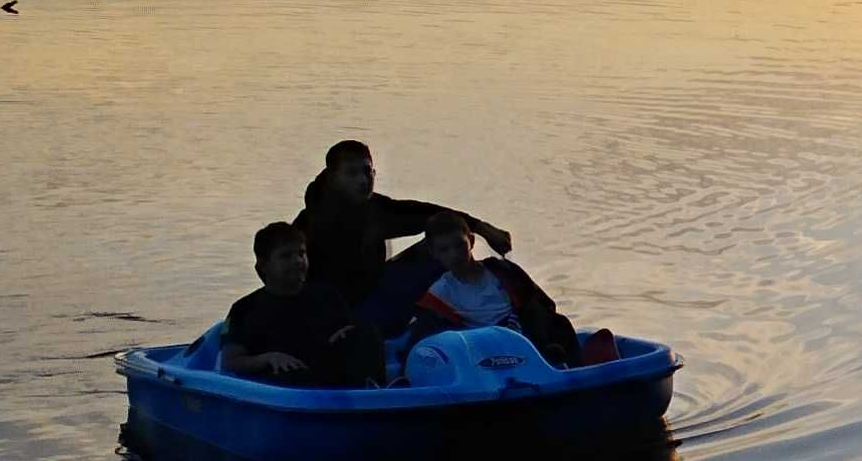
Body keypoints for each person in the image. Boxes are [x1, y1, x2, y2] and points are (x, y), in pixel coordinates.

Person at [355, 215, 602, 370]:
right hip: (475, 351)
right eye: (444, 250)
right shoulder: (439, 293)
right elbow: (424, 334)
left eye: (459, 245)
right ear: (433, 253)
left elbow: (541, 304)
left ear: (471, 242)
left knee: (553, 320)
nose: (454, 254)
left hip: (522, 340)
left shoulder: (502, 273)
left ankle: (569, 369)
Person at [292, 139, 512, 312]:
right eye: (351, 173)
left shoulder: (377, 209)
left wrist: (482, 228)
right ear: (332, 178)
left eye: (367, 171)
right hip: (337, 311)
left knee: (441, 243)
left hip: (376, 294)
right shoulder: (310, 222)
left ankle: (482, 310)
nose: (362, 180)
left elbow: (430, 214)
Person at [220, 220, 378, 385]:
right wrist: (268, 358)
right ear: (264, 265)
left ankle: (379, 394)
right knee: (289, 372)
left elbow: (347, 330)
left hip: (332, 373)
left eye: (301, 254)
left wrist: (346, 336)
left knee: (367, 331)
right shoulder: (244, 308)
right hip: (285, 382)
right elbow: (231, 361)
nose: (298, 261)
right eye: (286, 256)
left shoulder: (327, 296)